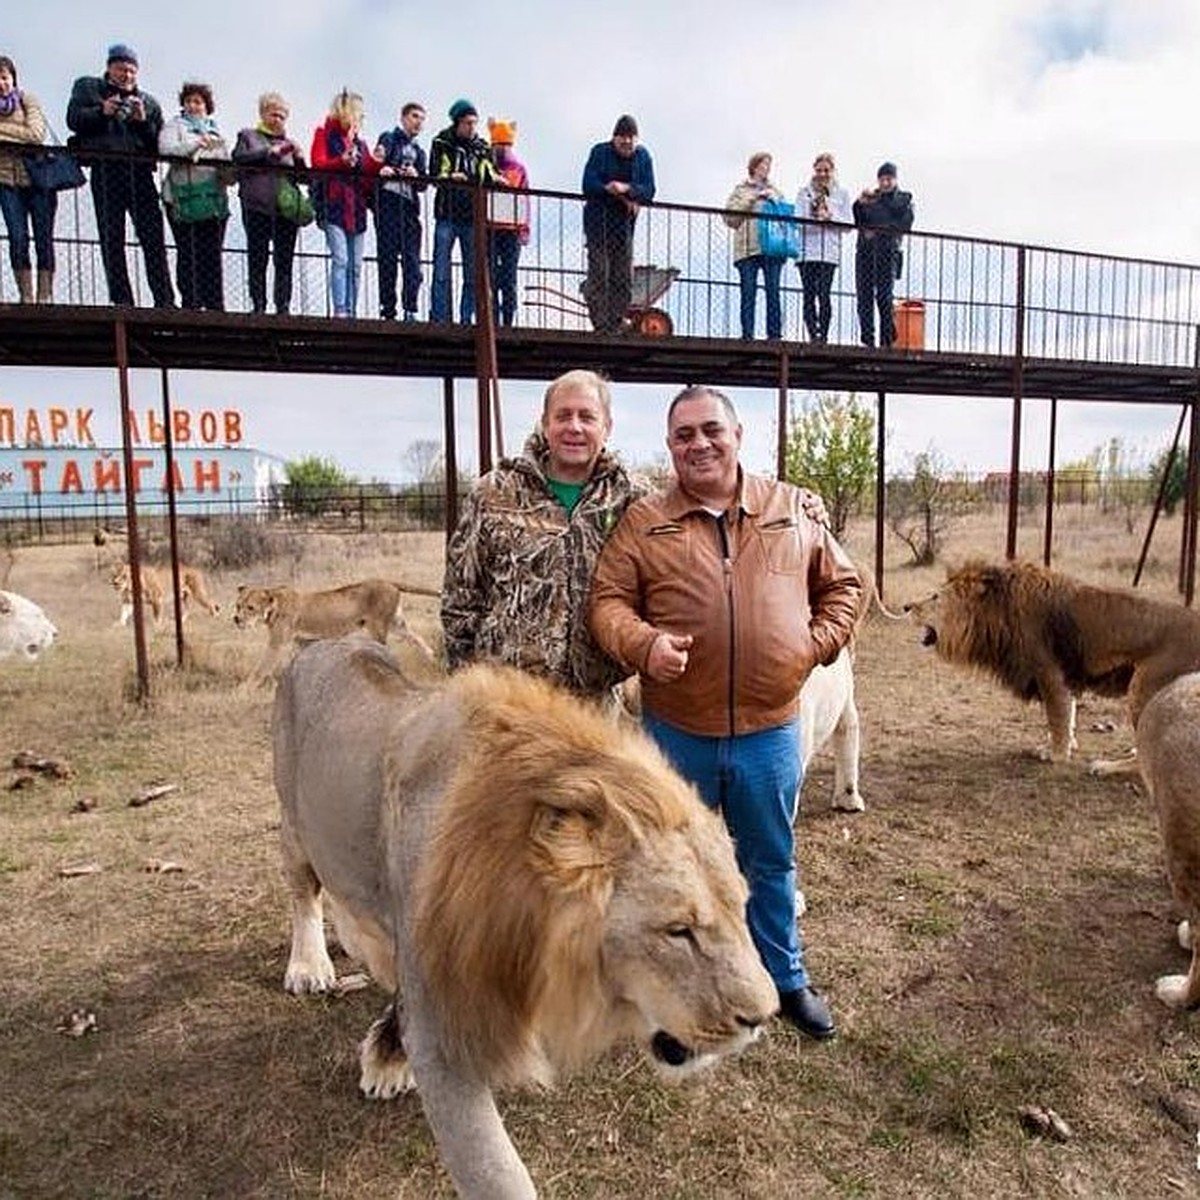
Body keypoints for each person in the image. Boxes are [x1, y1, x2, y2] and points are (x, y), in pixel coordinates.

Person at [589, 385, 862, 1040]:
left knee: (770, 860)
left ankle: (785, 979)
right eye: (683, 435)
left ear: (738, 435)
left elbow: (844, 587)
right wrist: (644, 645)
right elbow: (607, 602)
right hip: (677, 733)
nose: (699, 443)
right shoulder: (644, 521)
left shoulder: (791, 508)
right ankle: (672, 1000)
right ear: (671, 447)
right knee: (672, 872)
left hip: (769, 731)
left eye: (711, 429)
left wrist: (812, 646)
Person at [441, 368, 644, 699]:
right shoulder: (494, 491)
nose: (574, 427)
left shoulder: (632, 497)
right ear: (545, 423)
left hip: (593, 702)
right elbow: (460, 596)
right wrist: (464, 683)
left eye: (587, 417)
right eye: (563, 416)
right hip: (506, 699)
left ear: (606, 427)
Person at [66, 43, 174, 307]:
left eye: (132, 71)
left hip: (139, 173)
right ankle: (122, 299)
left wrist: (142, 121)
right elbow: (74, 119)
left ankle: (165, 299)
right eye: (121, 69)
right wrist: (102, 111)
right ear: (109, 68)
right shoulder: (88, 88)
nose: (127, 76)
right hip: (106, 168)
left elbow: (158, 145)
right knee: (111, 237)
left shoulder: (148, 103)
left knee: (153, 237)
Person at [232, 91, 305, 316]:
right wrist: (267, 153)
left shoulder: (289, 144)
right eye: (274, 114)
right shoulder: (248, 136)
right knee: (258, 256)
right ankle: (259, 304)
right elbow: (239, 159)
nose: (278, 120)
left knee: (284, 260)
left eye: (282, 116)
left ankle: (283, 305)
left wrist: (300, 158)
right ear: (263, 113)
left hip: (285, 209)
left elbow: (303, 178)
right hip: (256, 205)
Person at [580, 114, 655, 334]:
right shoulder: (600, 152)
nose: (627, 142)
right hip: (598, 225)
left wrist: (626, 189)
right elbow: (588, 184)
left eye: (631, 138)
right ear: (614, 138)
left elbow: (649, 190)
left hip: (624, 228)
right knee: (600, 274)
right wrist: (608, 189)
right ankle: (601, 324)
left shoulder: (643, 157)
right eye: (622, 137)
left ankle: (616, 321)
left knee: (623, 277)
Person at [159, 81, 230, 311]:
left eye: (198, 101)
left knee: (211, 255)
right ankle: (191, 302)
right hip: (182, 199)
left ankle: (214, 304)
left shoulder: (216, 131)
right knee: (188, 252)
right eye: (189, 101)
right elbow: (166, 150)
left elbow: (227, 173)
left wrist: (225, 165)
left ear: (206, 106)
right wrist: (196, 145)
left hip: (212, 201)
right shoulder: (174, 127)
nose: (193, 106)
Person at [310, 89, 379, 318]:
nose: (360, 119)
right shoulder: (324, 134)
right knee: (341, 258)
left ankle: (351, 308)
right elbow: (317, 163)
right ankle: (341, 308)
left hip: (357, 209)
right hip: (334, 203)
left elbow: (368, 177)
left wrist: (378, 164)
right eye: (358, 114)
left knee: (356, 265)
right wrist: (341, 161)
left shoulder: (361, 144)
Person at [428, 98, 495, 324]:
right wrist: (450, 176)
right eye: (467, 123)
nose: (472, 128)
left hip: (471, 216)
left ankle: (467, 317)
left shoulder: (482, 147)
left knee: (472, 271)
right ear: (457, 122)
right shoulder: (441, 142)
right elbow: (435, 174)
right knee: (441, 271)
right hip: (446, 214)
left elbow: (489, 174)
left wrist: (491, 178)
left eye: (474, 123)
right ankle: (440, 317)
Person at [0, 54, 55, 304]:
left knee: (43, 238)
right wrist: (17, 135)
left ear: (12, 78)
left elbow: (35, 134)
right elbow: (26, 134)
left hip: (37, 179)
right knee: (17, 238)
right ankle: (26, 295)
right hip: (6, 181)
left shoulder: (26, 99)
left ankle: (45, 294)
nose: (1, 83)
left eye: (4, 77)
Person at [373, 101, 427, 322]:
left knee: (412, 261)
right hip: (387, 204)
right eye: (415, 117)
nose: (418, 123)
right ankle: (388, 309)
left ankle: (410, 307)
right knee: (387, 258)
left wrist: (416, 176)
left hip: (409, 208)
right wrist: (385, 168)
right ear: (404, 117)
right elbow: (377, 162)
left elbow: (424, 184)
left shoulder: (419, 151)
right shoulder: (388, 138)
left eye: (422, 119)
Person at [723, 151, 786, 340]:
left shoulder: (776, 191)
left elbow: (786, 218)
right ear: (754, 167)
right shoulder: (740, 190)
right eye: (762, 165)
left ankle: (774, 334)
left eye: (768, 165)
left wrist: (773, 201)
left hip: (771, 248)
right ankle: (747, 333)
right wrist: (752, 200)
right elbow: (729, 218)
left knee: (773, 291)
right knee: (748, 292)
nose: (765, 169)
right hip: (747, 248)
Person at [853, 161, 914, 348]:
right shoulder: (871, 199)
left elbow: (904, 225)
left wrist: (878, 231)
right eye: (882, 179)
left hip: (888, 252)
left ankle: (887, 336)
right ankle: (868, 337)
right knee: (864, 296)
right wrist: (858, 204)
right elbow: (858, 220)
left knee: (884, 296)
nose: (885, 183)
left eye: (889, 179)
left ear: (895, 180)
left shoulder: (903, 199)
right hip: (866, 252)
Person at [796, 152, 852, 343]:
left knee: (824, 293)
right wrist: (815, 219)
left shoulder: (841, 194)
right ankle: (813, 333)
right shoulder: (804, 192)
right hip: (807, 252)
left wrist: (830, 218)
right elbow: (798, 221)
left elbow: (847, 225)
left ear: (832, 171)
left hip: (828, 253)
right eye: (819, 170)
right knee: (809, 293)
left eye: (826, 170)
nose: (822, 174)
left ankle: (824, 334)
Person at [485, 118, 529, 327]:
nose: (502, 150)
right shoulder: (487, 167)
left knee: (508, 278)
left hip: (510, 229)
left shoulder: (518, 169)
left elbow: (524, 199)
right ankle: (494, 319)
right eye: (499, 145)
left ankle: (508, 321)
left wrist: (524, 229)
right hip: (491, 228)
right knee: (492, 278)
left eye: (505, 145)